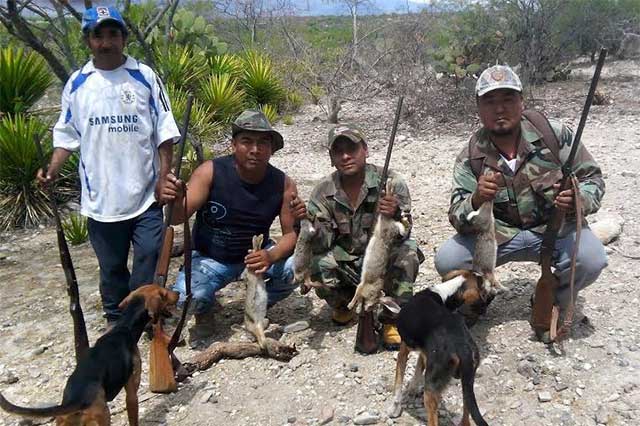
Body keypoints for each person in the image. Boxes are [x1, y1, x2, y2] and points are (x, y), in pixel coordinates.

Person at [434, 64, 608, 340]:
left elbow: (594, 179)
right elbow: (457, 216)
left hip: (553, 230)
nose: (499, 109)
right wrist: (477, 199)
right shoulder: (470, 155)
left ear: (521, 101)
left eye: (507, 99)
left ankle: (552, 299)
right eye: (489, 102)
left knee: (591, 258)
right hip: (498, 238)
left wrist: (578, 199)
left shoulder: (554, 134)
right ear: (479, 108)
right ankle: (479, 298)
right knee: (449, 258)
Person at [37, 6, 181, 324]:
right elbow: (66, 135)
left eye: (113, 34)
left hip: (145, 196)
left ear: (123, 38)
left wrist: (164, 177)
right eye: (98, 35)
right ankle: (117, 318)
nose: (106, 42)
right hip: (101, 200)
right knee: (112, 267)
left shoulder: (144, 77)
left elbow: (165, 132)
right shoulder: (78, 84)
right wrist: (53, 169)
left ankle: (144, 316)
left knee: (148, 257)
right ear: (88, 41)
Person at [159, 110, 306, 340]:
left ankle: (257, 306)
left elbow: (290, 235)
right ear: (233, 145)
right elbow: (177, 218)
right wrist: (176, 200)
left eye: (262, 143)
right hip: (211, 258)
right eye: (247, 141)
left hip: (256, 256)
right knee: (192, 297)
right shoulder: (210, 171)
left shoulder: (284, 183)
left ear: (271, 148)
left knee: (295, 269)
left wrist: (270, 256)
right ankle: (206, 310)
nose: (255, 150)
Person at [305, 124, 421, 350]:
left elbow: (406, 230)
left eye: (352, 149)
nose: (346, 156)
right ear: (331, 157)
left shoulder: (391, 182)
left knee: (409, 251)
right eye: (338, 151)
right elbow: (321, 244)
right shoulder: (322, 191)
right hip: (346, 263)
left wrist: (394, 214)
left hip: (380, 262)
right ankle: (343, 305)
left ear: (365, 150)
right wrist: (308, 227)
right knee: (316, 261)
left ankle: (391, 318)